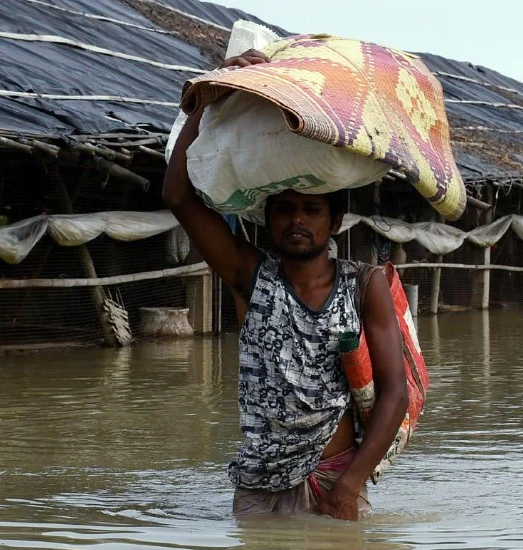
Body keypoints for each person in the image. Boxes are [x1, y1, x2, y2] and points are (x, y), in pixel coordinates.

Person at [162, 50, 409, 521]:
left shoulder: (364, 285)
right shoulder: (250, 277)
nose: (297, 220)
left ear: (334, 222)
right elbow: (178, 195)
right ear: (268, 219)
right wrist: (205, 100)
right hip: (259, 485)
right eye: (285, 210)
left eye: (311, 210)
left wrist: (349, 485)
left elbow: (394, 394)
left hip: (335, 479)